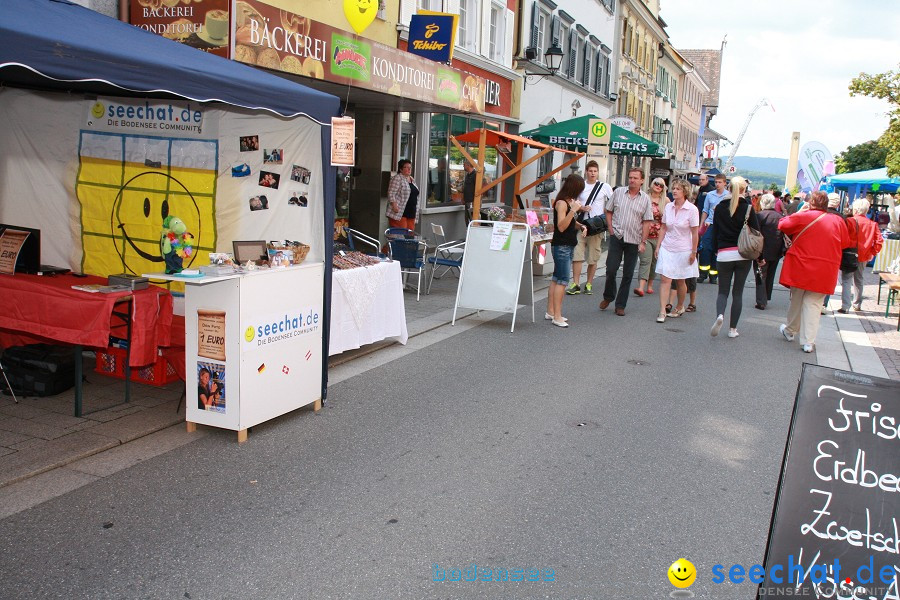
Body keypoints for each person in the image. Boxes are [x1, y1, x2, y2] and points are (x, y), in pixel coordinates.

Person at [777, 191, 851, 353]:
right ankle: (808, 341)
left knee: (796, 299)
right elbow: (845, 242)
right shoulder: (838, 221)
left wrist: (800, 211)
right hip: (825, 268)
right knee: (814, 303)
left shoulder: (804, 216)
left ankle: (790, 331)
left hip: (800, 265)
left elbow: (782, 224)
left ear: (810, 203)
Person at [709, 176, 759, 338]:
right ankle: (732, 330)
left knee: (722, 291)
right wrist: (761, 257)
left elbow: (715, 232)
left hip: (724, 253)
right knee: (737, 292)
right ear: (744, 190)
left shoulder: (719, 208)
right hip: (743, 254)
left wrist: (716, 250)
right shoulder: (748, 209)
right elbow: (757, 233)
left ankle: (720, 315)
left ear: (728, 188)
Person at [599, 167, 654, 316]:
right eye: (630, 177)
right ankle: (608, 296)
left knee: (628, 273)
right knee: (611, 269)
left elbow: (647, 222)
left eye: (636, 178)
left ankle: (620, 305)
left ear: (642, 180)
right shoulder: (618, 193)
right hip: (617, 236)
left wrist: (643, 242)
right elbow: (608, 210)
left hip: (634, 239)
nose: (632, 180)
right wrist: (610, 228)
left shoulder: (645, 199)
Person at [653, 179, 699, 323]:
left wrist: (693, 252)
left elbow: (695, 232)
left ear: (685, 191)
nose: (674, 191)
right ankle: (662, 311)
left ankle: (679, 306)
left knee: (680, 280)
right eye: (673, 188)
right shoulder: (668, 207)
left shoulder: (692, 209)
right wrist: (658, 246)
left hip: (683, 249)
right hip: (668, 247)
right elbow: (664, 227)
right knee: (665, 279)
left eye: (678, 189)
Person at [567, 160, 612, 295]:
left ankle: (589, 283)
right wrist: (581, 207)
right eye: (590, 171)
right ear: (586, 172)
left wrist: (607, 217)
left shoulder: (605, 187)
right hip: (581, 224)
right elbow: (571, 201)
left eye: (595, 171)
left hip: (596, 226)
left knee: (593, 256)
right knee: (577, 255)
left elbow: (613, 202)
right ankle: (575, 283)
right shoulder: (581, 186)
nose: (593, 173)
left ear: (598, 172)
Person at [547, 174, 586, 327]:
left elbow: (570, 223)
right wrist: (573, 210)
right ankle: (557, 316)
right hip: (562, 245)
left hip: (566, 244)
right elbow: (562, 226)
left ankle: (550, 311)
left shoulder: (567, 202)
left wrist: (581, 225)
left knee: (557, 278)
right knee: (562, 281)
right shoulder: (562, 203)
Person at [840, 198, 883, 313]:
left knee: (846, 279)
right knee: (858, 279)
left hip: (849, 254)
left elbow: (843, 237)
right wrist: (872, 253)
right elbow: (879, 241)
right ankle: (857, 304)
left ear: (855, 209)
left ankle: (845, 305)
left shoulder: (849, 221)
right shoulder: (872, 224)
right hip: (864, 255)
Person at [635, 177, 668, 296]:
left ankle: (650, 284)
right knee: (645, 260)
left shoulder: (666, 201)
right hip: (645, 235)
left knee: (655, 262)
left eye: (661, 185)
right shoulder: (644, 197)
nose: (658, 186)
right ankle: (641, 287)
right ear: (651, 184)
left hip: (659, 237)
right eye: (656, 183)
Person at [753, 193, 785, 310]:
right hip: (776, 251)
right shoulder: (780, 216)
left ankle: (761, 300)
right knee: (770, 275)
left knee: (760, 274)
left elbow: (755, 235)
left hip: (761, 250)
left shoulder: (759, 216)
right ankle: (766, 297)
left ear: (762, 203)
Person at [698, 173, 730, 283]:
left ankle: (713, 275)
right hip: (709, 224)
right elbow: (705, 210)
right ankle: (703, 273)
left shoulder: (728, 196)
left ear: (725, 183)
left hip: (721, 226)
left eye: (720, 182)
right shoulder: (710, 195)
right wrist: (702, 224)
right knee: (705, 248)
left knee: (717, 250)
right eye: (716, 182)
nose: (717, 184)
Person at [386, 159, 419, 230]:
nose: (409, 169)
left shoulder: (412, 179)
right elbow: (391, 193)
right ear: (401, 169)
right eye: (406, 167)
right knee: (400, 236)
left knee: (409, 237)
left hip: (411, 213)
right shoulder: (397, 178)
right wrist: (394, 206)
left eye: (410, 167)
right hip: (400, 213)